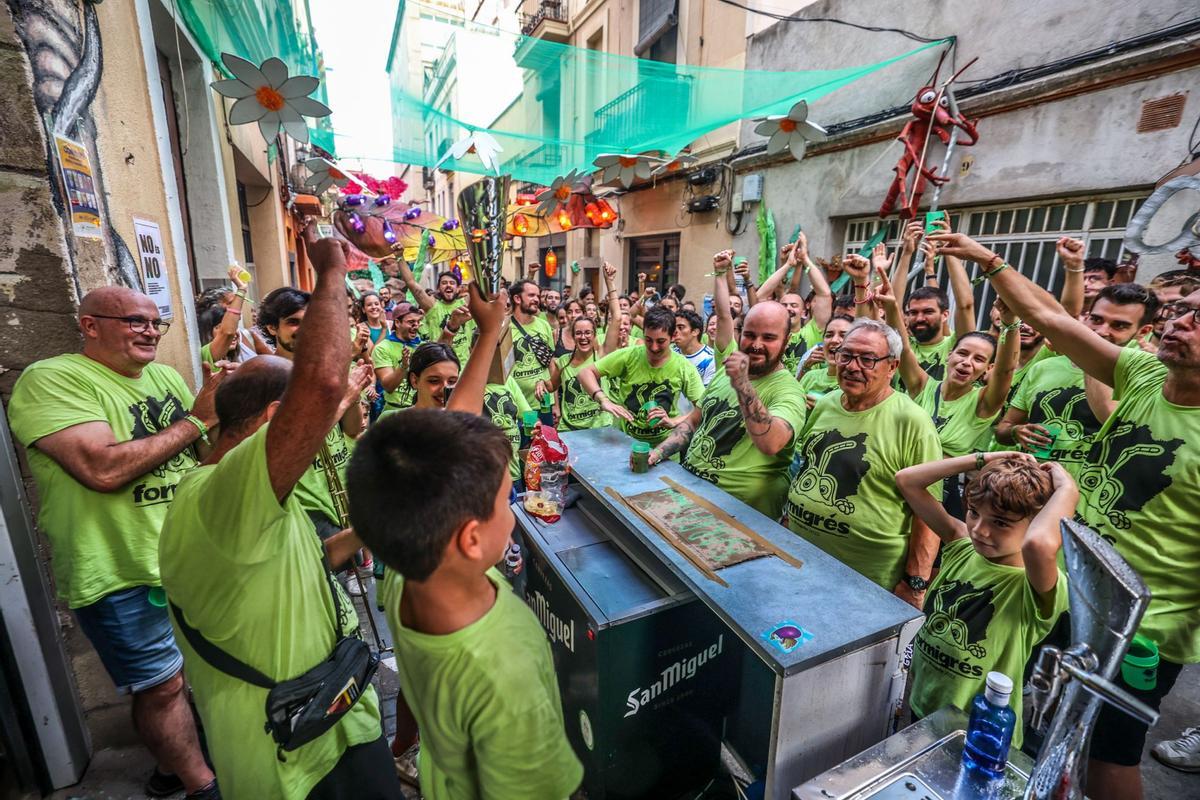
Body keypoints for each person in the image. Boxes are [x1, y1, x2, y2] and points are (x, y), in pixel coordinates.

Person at [930, 228, 1200, 800]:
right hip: (1071, 596)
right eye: (1179, 310)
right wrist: (989, 259)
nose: (1180, 321)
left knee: (1110, 756)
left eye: (1197, 317)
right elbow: (1056, 323)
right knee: (1051, 735)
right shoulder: (1145, 377)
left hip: (1144, 630)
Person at [158, 229, 395, 798]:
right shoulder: (223, 493)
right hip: (288, 755)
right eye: (298, 417)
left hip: (338, 713)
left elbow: (308, 560)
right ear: (271, 417)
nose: (314, 422)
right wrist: (333, 270)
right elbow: (321, 383)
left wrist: (378, 522)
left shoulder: (250, 501)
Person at [9, 287, 222, 799]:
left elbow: (201, 459)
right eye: (134, 321)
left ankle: (171, 766)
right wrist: (197, 419)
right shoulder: (53, 380)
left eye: (156, 323)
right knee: (162, 685)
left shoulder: (166, 376)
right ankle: (203, 786)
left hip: (187, 560)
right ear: (90, 325)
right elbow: (102, 468)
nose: (150, 331)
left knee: (195, 673)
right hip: (121, 570)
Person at [346, 410, 583, 800]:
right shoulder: (506, 676)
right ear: (471, 540)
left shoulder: (411, 573)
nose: (514, 510)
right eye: (507, 501)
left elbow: (436, 453)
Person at [896, 453, 1072, 749]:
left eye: (1001, 523)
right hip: (925, 708)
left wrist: (1067, 489)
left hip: (979, 733)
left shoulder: (1032, 587)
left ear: (1036, 523)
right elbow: (907, 480)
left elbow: (1040, 545)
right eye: (974, 513)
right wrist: (985, 459)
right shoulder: (961, 547)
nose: (980, 530)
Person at [783, 318, 942, 607]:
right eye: (846, 355)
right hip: (799, 559)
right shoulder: (827, 403)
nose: (853, 367)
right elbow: (806, 464)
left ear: (892, 367)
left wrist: (915, 584)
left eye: (868, 359)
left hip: (865, 581)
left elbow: (929, 515)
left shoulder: (913, 422)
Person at [651, 264, 806, 519]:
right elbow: (694, 420)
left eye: (768, 337)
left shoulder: (789, 390)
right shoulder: (728, 368)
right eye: (750, 335)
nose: (756, 345)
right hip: (691, 496)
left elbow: (771, 443)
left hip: (739, 516)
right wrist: (659, 452)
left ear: (786, 341)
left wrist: (743, 385)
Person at [259, 285, 373, 592]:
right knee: (317, 590)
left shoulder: (325, 369)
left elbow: (351, 429)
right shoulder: (266, 376)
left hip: (336, 498)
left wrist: (350, 388)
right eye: (293, 322)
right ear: (272, 328)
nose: (304, 329)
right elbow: (286, 443)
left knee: (336, 596)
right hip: (303, 505)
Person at [995, 283, 1158, 478]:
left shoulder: (1147, 376)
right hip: (1032, 489)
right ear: (1086, 317)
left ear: (1143, 331)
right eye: (1096, 319)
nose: (1102, 330)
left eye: (1119, 325)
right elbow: (1002, 430)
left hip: (1093, 496)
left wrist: (1089, 356)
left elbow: (1115, 425)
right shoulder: (1044, 368)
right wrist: (1017, 432)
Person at [579, 306, 705, 447]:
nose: (654, 347)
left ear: (672, 336)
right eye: (649, 340)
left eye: (661, 341)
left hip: (664, 449)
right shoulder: (629, 356)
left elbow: (703, 407)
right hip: (625, 444)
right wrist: (603, 400)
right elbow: (585, 373)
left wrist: (674, 421)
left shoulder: (684, 366)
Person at [540, 263, 620, 430]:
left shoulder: (602, 354)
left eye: (587, 333)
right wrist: (540, 383)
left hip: (600, 427)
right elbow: (551, 386)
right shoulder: (563, 362)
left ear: (594, 335)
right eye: (579, 333)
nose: (583, 337)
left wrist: (609, 282)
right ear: (573, 336)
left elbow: (617, 319)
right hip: (569, 429)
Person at [757, 232, 833, 375]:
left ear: (804, 312)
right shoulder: (770, 332)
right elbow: (759, 297)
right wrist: (787, 265)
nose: (788, 309)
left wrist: (805, 259)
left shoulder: (813, 330)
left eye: (794, 305)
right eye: (784, 305)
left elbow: (824, 294)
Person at [508, 279, 555, 406]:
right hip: (516, 402)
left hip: (543, 400)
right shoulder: (504, 328)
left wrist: (555, 404)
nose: (536, 299)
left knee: (545, 427)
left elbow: (551, 364)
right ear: (517, 299)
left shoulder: (544, 325)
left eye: (538, 296)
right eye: (531, 295)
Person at [373, 301, 424, 414]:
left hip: (421, 411)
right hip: (395, 412)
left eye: (418, 322)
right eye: (411, 322)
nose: (416, 326)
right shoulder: (383, 348)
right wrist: (403, 366)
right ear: (397, 322)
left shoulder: (421, 346)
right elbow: (388, 386)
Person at [797, 314, 854, 408]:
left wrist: (823, 406)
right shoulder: (809, 376)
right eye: (829, 335)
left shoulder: (856, 383)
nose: (834, 340)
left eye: (843, 335)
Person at [673, 308, 717, 384]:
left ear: (695, 332)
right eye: (673, 328)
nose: (675, 332)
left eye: (680, 327)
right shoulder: (670, 353)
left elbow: (706, 393)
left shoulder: (710, 359)